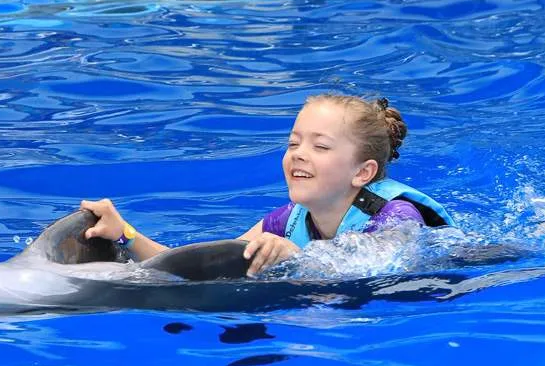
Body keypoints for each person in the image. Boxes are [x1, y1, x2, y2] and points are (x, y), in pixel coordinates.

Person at [81, 93, 456, 276]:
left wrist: (297, 257)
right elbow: (203, 263)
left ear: (363, 173)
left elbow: (384, 270)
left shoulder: (396, 216)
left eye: (320, 146)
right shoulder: (287, 221)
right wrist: (125, 233)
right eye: (293, 143)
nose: (299, 154)